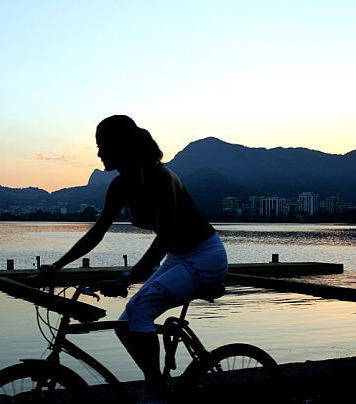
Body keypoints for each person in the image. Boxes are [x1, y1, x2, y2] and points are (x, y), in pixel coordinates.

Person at [40, 115, 228, 403]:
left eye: (102, 145)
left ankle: (155, 392)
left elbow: (164, 236)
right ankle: (157, 384)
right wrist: (58, 265)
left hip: (205, 257)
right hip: (179, 258)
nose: (99, 152)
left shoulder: (160, 177)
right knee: (124, 323)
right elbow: (97, 233)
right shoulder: (119, 186)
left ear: (122, 146)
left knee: (140, 309)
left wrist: (128, 278)